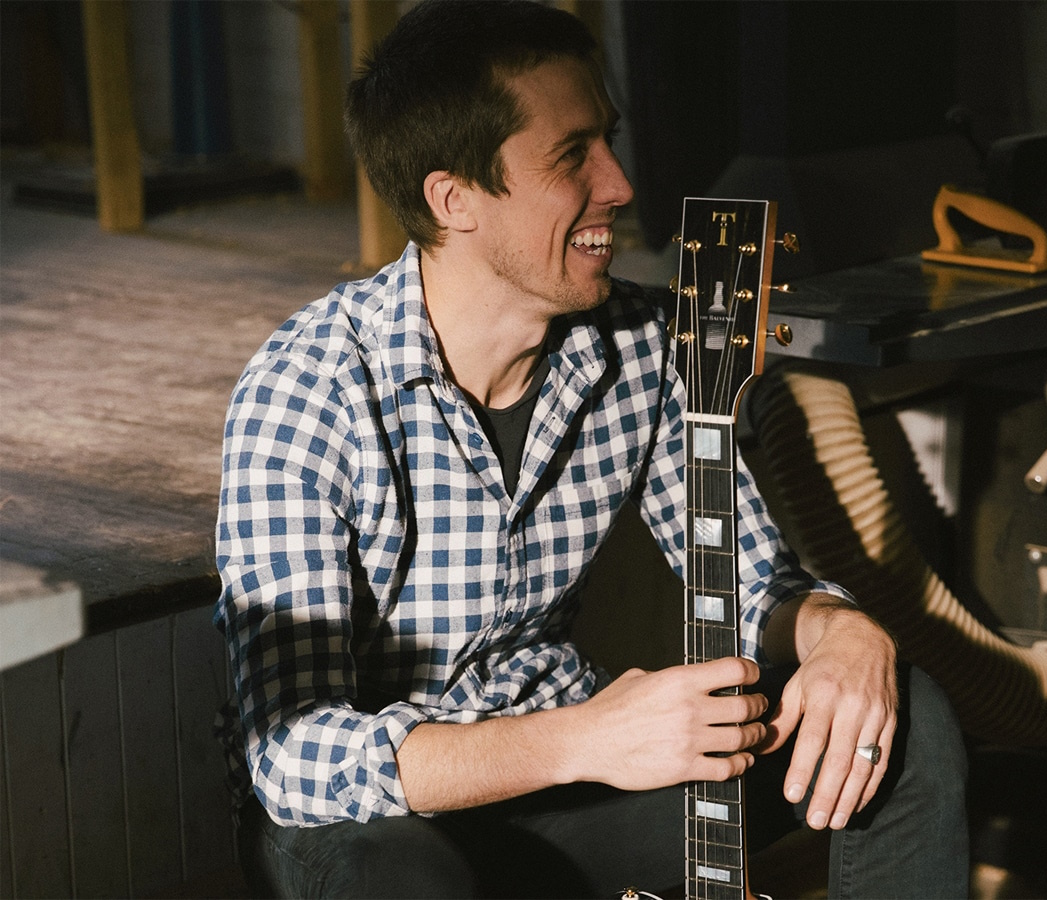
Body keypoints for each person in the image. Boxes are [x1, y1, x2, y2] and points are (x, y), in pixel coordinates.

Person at [214, 1, 968, 897]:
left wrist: (842, 631)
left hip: (580, 787)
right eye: (573, 156)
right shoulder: (307, 394)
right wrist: (585, 738)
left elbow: (753, 578)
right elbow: (292, 756)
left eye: (609, 141)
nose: (618, 184)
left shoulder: (639, 345)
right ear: (454, 199)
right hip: (383, 821)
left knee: (907, 719)